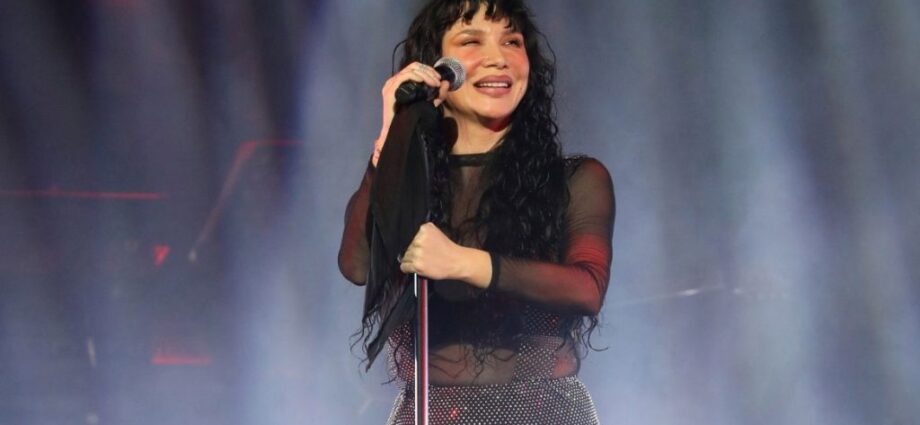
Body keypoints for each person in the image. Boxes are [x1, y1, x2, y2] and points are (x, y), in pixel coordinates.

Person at [338, 0, 615, 423]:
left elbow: (586, 288)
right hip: (430, 413)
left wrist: (461, 262)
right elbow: (357, 265)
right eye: (471, 41)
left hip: (544, 414)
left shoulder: (575, 179)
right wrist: (393, 134)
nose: (497, 58)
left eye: (512, 42)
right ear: (433, 68)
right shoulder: (413, 184)